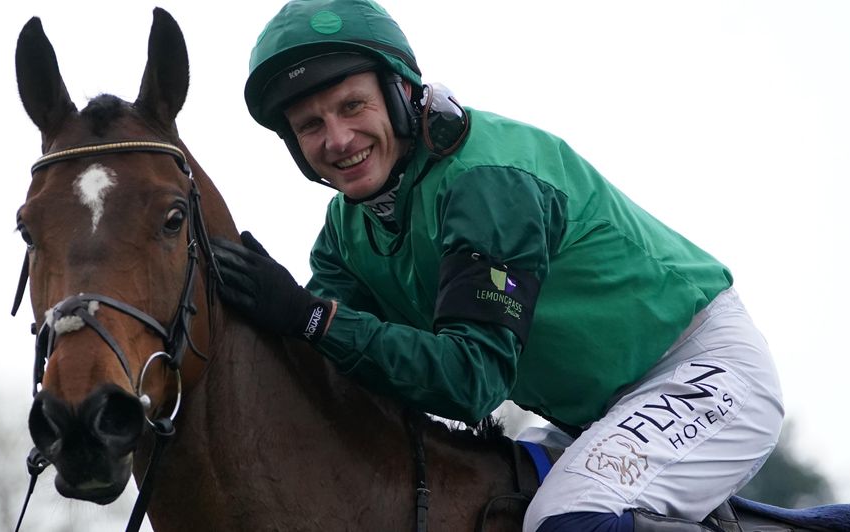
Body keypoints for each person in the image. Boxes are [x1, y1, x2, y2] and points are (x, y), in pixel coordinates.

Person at [211, 1, 784, 530]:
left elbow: (470, 383)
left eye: (352, 106)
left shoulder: (488, 186)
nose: (337, 139)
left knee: (565, 521)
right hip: (591, 411)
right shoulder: (347, 228)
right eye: (310, 125)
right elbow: (328, 362)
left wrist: (313, 318)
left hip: (699, 372)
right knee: (489, 506)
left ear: (400, 94)